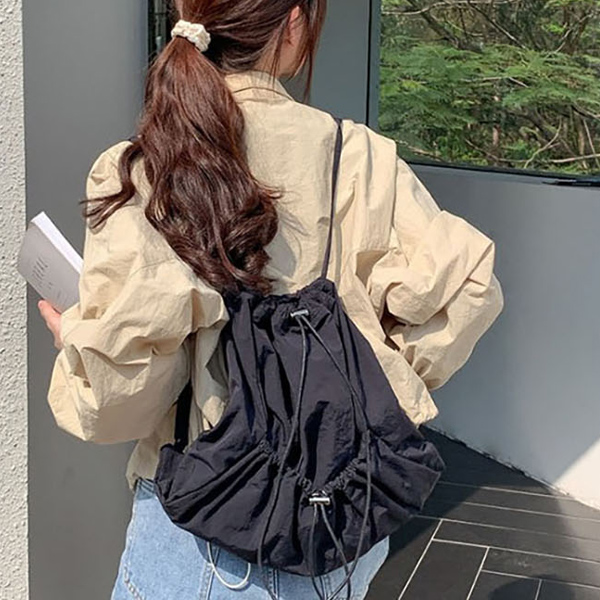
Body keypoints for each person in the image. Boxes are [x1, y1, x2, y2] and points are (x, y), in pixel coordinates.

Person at [38, 0, 504, 598]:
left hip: (203, 528)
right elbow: (465, 290)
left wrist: (83, 344)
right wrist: (374, 374)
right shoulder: (360, 157)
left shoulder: (144, 166)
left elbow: (120, 403)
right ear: (294, 22)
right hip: (342, 517)